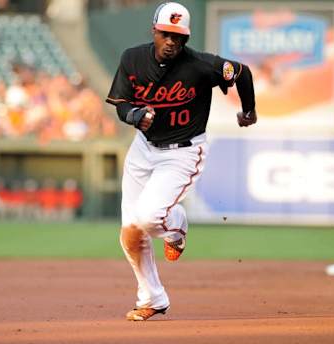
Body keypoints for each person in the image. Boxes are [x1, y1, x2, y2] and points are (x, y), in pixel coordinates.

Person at [106, 2, 257, 321]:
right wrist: (133, 114)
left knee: (148, 217)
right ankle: (153, 298)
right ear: (154, 31)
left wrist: (248, 110)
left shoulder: (202, 65)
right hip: (143, 149)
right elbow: (121, 104)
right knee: (130, 232)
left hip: (183, 152)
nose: (172, 41)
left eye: (178, 36)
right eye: (166, 34)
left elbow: (242, 72)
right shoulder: (132, 58)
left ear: (186, 38)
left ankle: (176, 226)